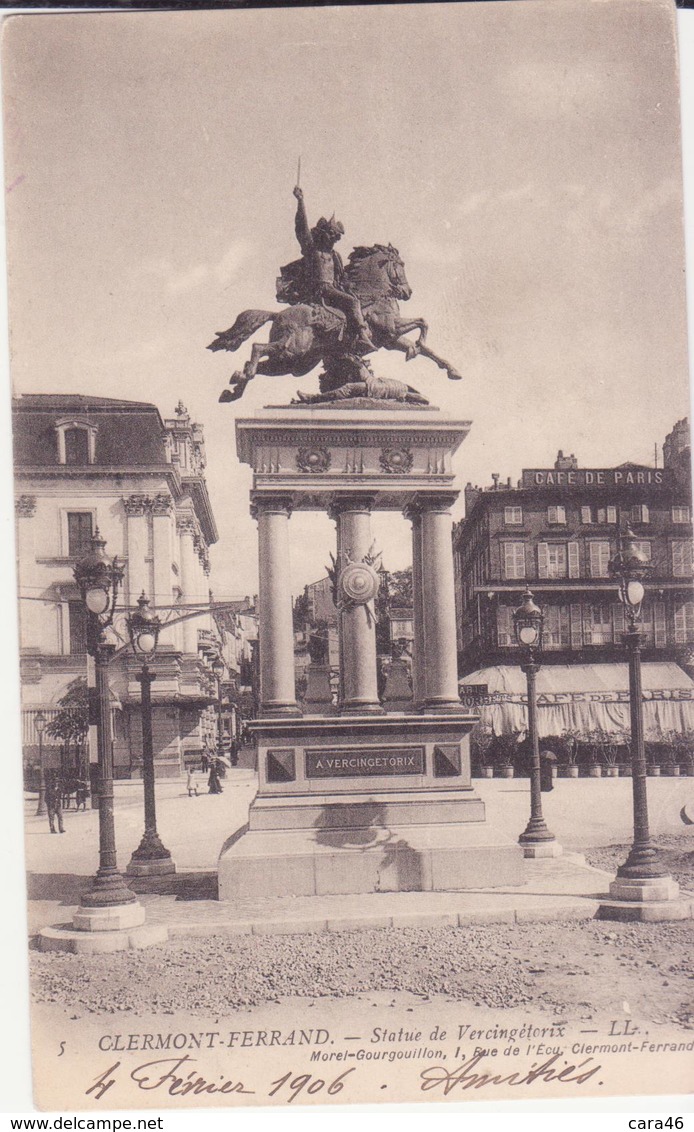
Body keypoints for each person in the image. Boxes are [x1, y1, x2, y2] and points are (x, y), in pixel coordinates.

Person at [286, 185, 376, 352]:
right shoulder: (312, 249)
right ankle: (362, 335)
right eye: (331, 235)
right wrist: (300, 202)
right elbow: (301, 228)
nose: (333, 240)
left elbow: (342, 278)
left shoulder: (335, 256)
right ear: (323, 234)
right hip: (320, 289)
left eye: (336, 237)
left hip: (332, 289)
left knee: (355, 299)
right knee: (352, 301)